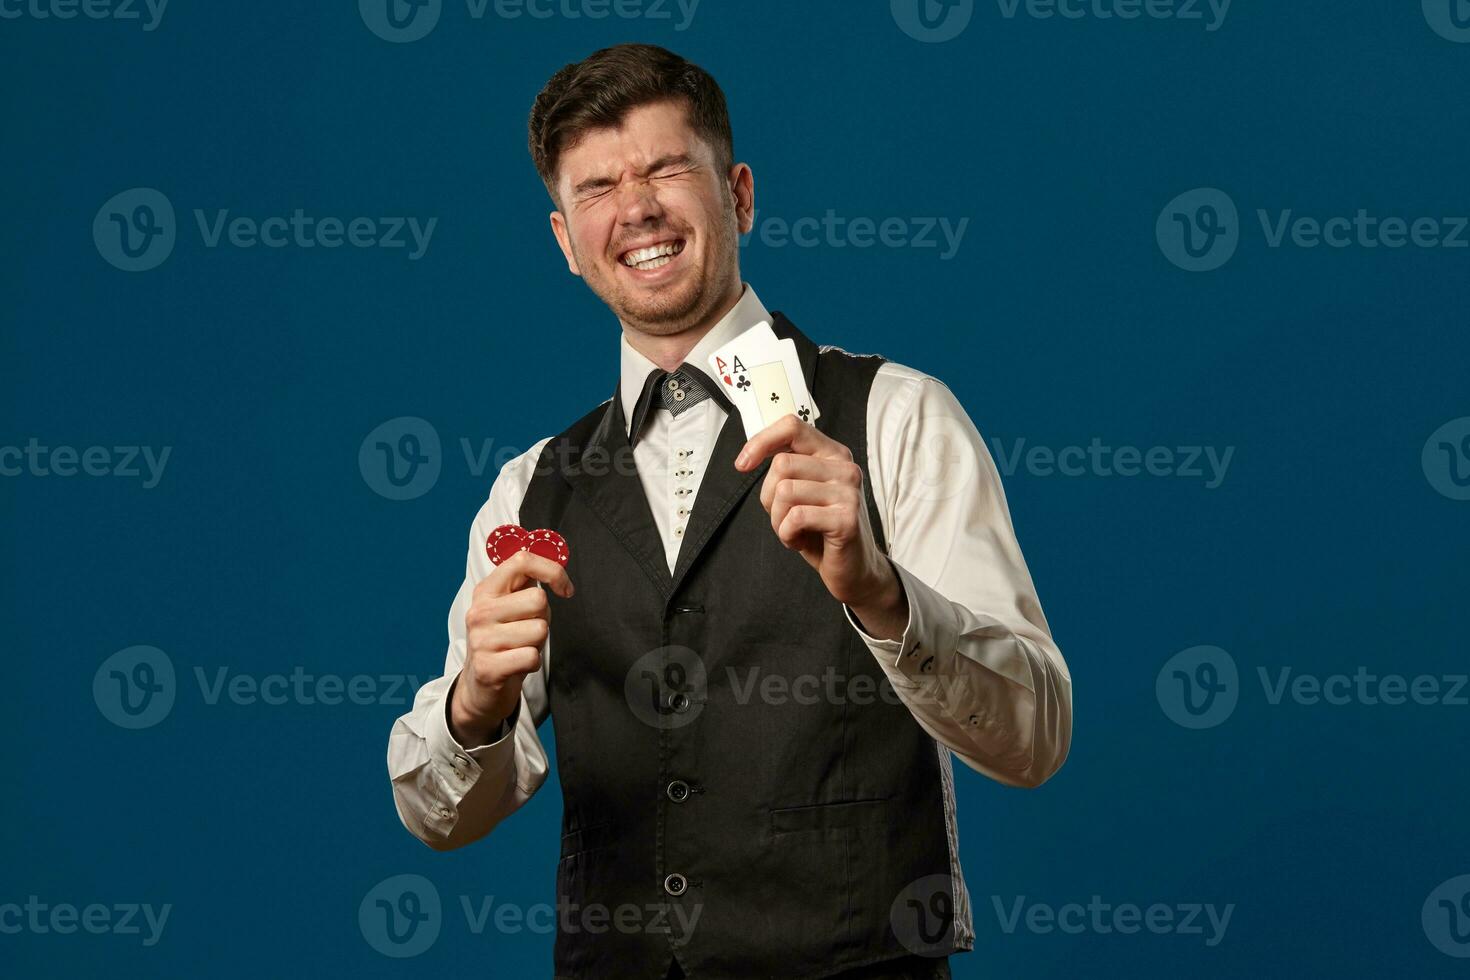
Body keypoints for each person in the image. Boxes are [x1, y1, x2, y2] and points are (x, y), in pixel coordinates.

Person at [387, 42, 1072, 980]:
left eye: (667, 168)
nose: (636, 209)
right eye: (597, 189)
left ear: (739, 194)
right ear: (565, 242)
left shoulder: (900, 416)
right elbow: (437, 817)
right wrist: (475, 705)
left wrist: (881, 594)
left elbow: (1035, 736)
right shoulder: (529, 488)